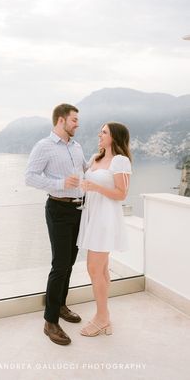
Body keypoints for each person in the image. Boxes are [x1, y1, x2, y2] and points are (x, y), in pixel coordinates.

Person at [25, 103, 87, 346]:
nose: (77, 124)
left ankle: (60, 305)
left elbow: (85, 172)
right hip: (58, 209)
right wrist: (61, 183)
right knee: (60, 265)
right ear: (61, 120)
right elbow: (30, 177)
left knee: (70, 262)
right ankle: (50, 321)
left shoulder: (78, 146)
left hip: (79, 209)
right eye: (74, 120)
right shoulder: (44, 146)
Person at [77, 122, 132, 337]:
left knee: (93, 269)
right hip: (92, 216)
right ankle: (105, 317)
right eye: (100, 130)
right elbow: (87, 182)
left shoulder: (120, 160)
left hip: (105, 219)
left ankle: (102, 318)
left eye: (104, 132)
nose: (99, 134)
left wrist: (95, 187)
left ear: (115, 137)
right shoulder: (95, 158)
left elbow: (122, 194)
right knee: (101, 269)